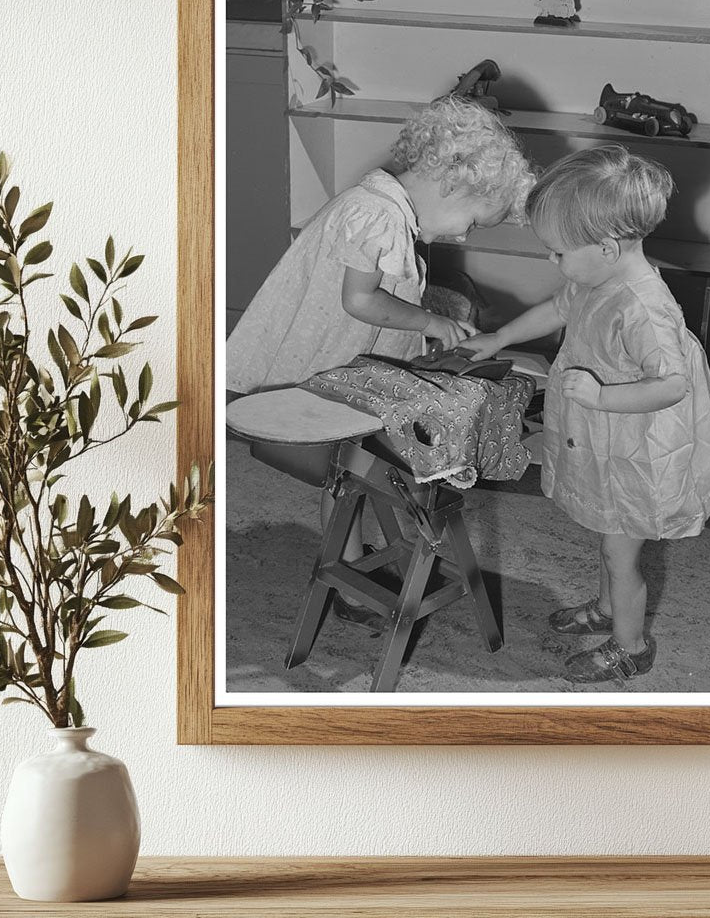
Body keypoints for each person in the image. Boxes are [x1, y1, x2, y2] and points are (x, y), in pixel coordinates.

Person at [228, 95, 534, 630]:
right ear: (450, 181)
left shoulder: (381, 204)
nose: (463, 235)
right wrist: (433, 323)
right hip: (328, 360)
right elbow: (361, 301)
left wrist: (433, 316)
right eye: (472, 220)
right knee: (346, 471)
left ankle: (356, 560)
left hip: (341, 352)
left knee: (351, 472)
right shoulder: (377, 216)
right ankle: (350, 577)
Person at [461, 145, 710, 684]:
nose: (551, 261)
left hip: (636, 448)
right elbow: (561, 306)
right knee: (606, 536)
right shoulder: (595, 277)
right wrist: (501, 336)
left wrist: (603, 397)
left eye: (556, 251)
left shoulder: (644, 308)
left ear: (607, 248)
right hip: (604, 438)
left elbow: (673, 384)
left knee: (619, 553)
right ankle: (606, 611)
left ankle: (631, 645)